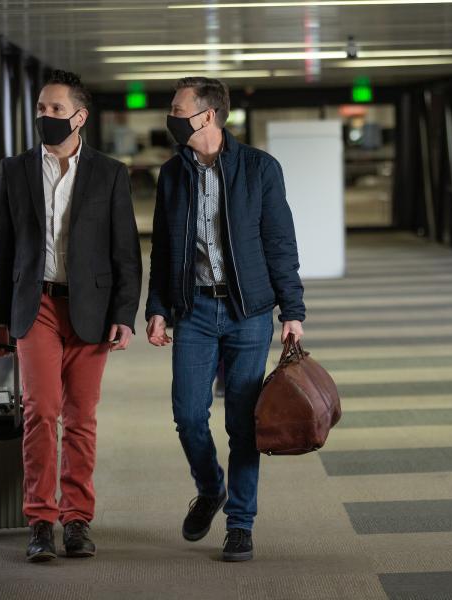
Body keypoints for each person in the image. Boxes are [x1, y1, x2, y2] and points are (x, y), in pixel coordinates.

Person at [145, 76, 305, 562]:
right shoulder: (173, 175)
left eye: (177, 108)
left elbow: (280, 243)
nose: (170, 117)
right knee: (189, 416)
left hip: (247, 313)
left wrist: (292, 311)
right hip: (192, 310)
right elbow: (163, 250)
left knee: (242, 423)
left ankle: (240, 523)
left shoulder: (259, 169)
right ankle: (211, 486)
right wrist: (156, 308)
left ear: (207, 115)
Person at [0, 70, 142, 563]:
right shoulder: (15, 170)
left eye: (55, 109)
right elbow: (0, 250)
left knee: (80, 418)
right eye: (40, 108)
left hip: (90, 309)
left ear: (79, 116)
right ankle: (40, 520)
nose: (44, 117)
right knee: (40, 411)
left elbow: (126, 252)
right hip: (37, 307)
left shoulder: (110, 172)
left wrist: (125, 314)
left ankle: (77, 520)